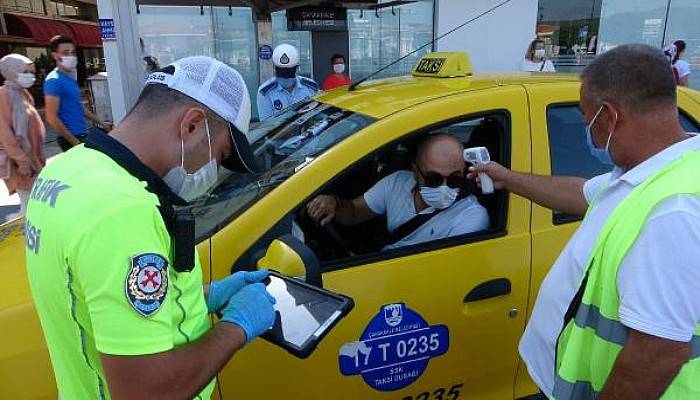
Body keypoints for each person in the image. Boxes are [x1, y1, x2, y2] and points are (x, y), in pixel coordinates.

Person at [25, 56, 276, 399]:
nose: (215, 170)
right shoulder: (123, 211)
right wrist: (237, 326)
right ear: (191, 125)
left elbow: (101, 303)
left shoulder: (69, 168)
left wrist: (204, 297)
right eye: (221, 154)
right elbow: (146, 392)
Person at [471, 44, 700, 399]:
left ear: (608, 117)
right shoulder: (652, 172)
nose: (587, 132)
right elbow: (580, 193)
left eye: (585, 118)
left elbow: (659, 354)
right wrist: (505, 177)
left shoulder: (672, 211)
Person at [307, 134, 489, 250]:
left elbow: (441, 271)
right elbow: (355, 211)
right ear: (416, 172)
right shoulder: (397, 182)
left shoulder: (471, 217)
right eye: (433, 179)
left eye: (455, 179)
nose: (445, 187)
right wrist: (333, 204)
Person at [43, 35, 112, 152]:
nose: (70, 56)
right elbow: (51, 117)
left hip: (82, 135)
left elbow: (79, 107)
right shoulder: (53, 81)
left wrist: (101, 123)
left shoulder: (69, 78)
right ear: (55, 55)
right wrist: (73, 141)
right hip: (71, 139)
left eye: (73, 52)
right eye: (65, 53)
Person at [0, 54, 45, 221]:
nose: (30, 75)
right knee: (30, 203)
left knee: (35, 200)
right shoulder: (4, 95)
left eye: (31, 71)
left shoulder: (22, 93)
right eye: (25, 71)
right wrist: (22, 161)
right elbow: (5, 134)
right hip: (20, 163)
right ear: (11, 71)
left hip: (32, 158)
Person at [257, 43, 318, 119]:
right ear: (274, 68)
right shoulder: (265, 92)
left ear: (297, 68)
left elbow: (317, 114)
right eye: (281, 72)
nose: (285, 77)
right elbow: (266, 125)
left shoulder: (311, 87)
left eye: (289, 72)